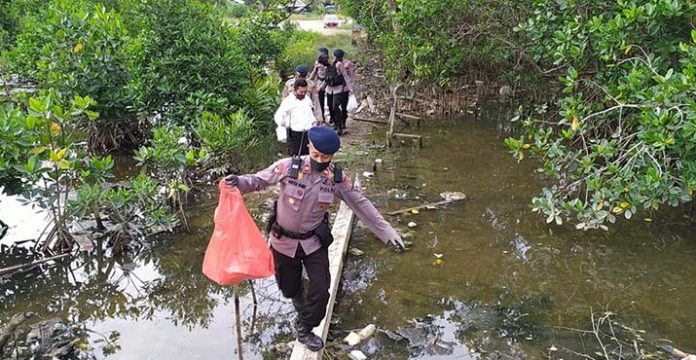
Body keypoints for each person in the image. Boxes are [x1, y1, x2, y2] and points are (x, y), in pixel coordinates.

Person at [224, 126, 405, 352]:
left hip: (313, 243)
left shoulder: (336, 179)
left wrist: (388, 233)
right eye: (316, 155)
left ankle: (305, 327)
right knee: (289, 289)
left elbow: (361, 204)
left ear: (332, 156)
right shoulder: (289, 167)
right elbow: (259, 180)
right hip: (282, 243)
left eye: (325, 157)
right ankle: (300, 303)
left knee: (321, 291)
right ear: (309, 146)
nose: (320, 161)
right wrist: (238, 182)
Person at [275, 79, 322, 156]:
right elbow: (279, 115)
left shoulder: (307, 99)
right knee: (295, 156)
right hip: (295, 134)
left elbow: (310, 112)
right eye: (301, 92)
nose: (303, 94)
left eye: (305, 92)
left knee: (307, 156)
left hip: (308, 133)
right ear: (295, 90)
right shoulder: (288, 101)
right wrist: (282, 122)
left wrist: (314, 121)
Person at [325, 48, 355, 135]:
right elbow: (326, 76)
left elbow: (348, 76)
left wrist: (350, 87)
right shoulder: (330, 63)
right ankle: (336, 123)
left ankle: (342, 124)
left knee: (342, 106)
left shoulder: (346, 63)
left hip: (342, 88)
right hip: (331, 89)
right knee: (332, 106)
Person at [309, 49, 331, 123]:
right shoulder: (318, 63)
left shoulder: (329, 65)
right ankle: (322, 119)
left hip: (328, 85)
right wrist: (307, 81)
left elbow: (328, 78)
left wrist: (321, 87)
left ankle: (332, 118)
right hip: (319, 82)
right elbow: (314, 73)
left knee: (330, 102)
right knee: (320, 101)